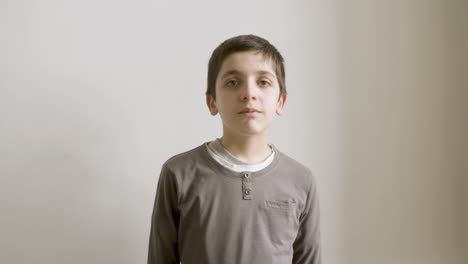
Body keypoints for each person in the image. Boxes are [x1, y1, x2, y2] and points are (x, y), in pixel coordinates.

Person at [147, 34, 322, 264]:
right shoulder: (178, 173)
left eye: (263, 82)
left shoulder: (301, 180)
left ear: (281, 101)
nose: (249, 94)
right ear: (212, 102)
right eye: (233, 82)